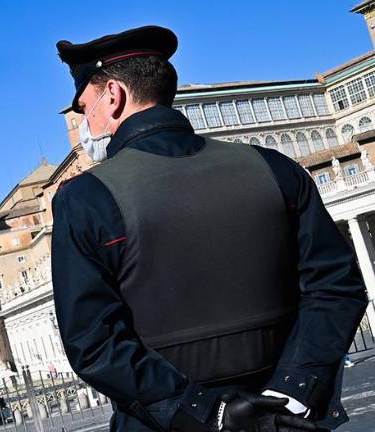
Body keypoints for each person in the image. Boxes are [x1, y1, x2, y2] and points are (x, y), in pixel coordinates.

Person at [51, 25, 369, 432]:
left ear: (112, 96)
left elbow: (94, 344)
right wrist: (293, 390)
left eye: (85, 106)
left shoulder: (85, 198)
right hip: (287, 421)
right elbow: (336, 287)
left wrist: (208, 412)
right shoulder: (276, 169)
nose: (84, 121)